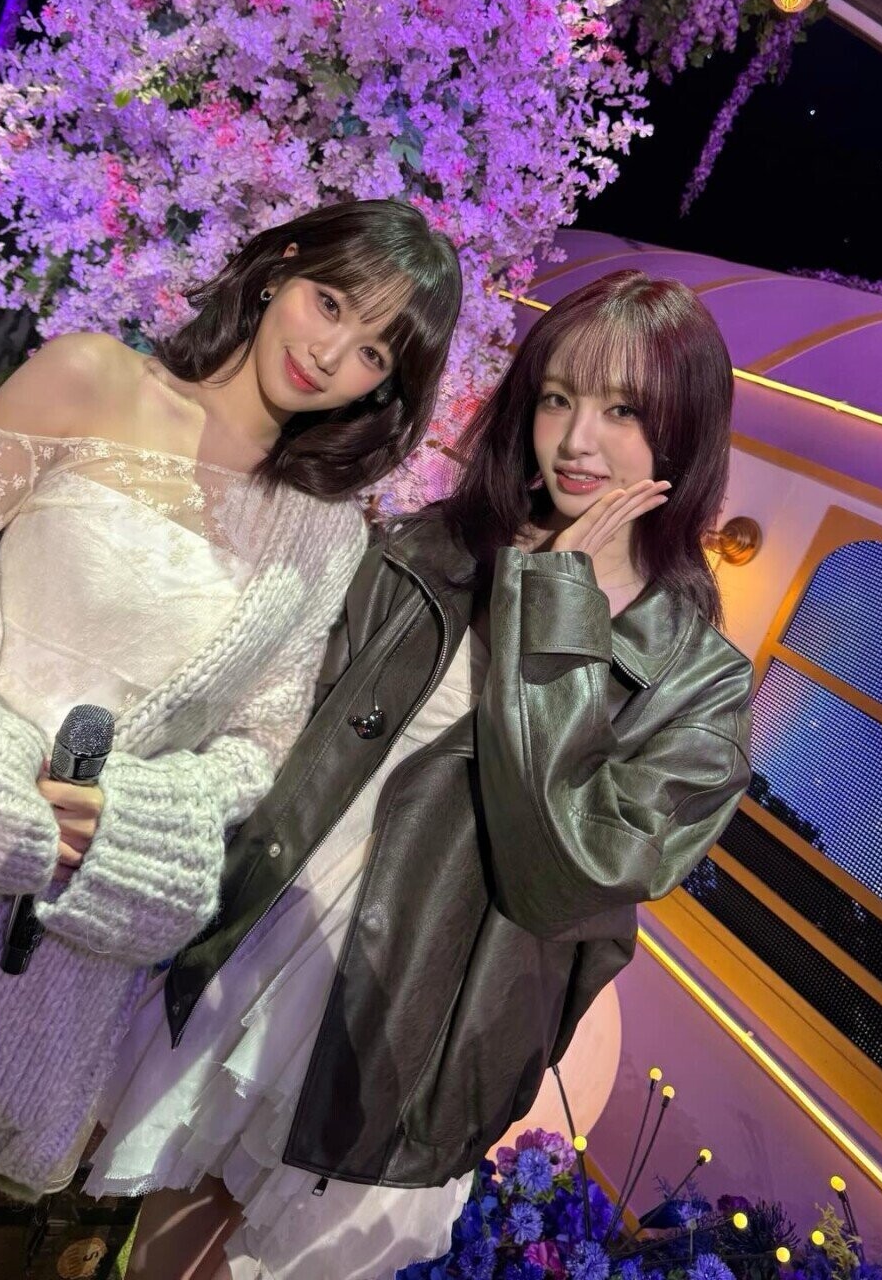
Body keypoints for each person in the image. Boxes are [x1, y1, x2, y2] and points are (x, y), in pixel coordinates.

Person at [0, 198, 462, 1280]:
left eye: (375, 351)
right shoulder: (89, 376)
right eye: (330, 303)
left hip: (64, 917)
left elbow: (260, 742)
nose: (332, 354)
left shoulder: (323, 535)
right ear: (280, 267)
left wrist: (128, 816)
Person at [93, 268, 754, 1280]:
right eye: (557, 398)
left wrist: (555, 606)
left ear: (682, 430)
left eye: (622, 410)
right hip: (275, 931)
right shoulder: (433, 547)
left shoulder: (697, 682)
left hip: (417, 1022)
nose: (577, 442)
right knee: (157, 1253)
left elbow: (570, 875)